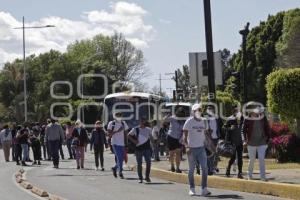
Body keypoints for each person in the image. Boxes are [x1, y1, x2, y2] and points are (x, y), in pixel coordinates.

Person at [183, 103, 211, 196]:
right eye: (196, 110)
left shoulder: (204, 121)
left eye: (199, 110)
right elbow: (184, 136)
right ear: (193, 112)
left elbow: (206, 135)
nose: (198, 111)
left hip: (201, 148)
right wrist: (186, 146)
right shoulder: (189, 121)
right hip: (191, 149)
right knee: (191, 170)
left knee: (205, 169)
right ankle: (192, 188)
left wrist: (212, 146)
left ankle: (204, 189)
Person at [242, 107, 270, 181]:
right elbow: (243, 131)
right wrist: (244, 140)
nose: (255, 114)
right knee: (252, 160)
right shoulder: (247, 119)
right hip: (251, 143)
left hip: (262, 142)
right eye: (254, 113)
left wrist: (268, 139)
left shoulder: (263, 118)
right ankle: (249, 175)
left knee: (261, 159)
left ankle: (263, 177)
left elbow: (267, 128)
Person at [128, 118, 152, 183]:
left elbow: (151, 137)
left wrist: (153, 145)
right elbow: (129, 135)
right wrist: (134, 141)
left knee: (149, 163)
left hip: (147, 148)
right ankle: (140, 178)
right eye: (141, 121)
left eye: (143, 121)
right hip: (138, 149)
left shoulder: (149, 129)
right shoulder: (135, 129)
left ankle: (147, 177)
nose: (142, 123)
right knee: (139, 164)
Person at [107, 112, 129, 179]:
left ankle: (114, 168)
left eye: (120, 115)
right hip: (115, 143)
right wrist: (117, 131)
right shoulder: (111, 123)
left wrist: (127, 143)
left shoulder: (123, 123)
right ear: (115, 116)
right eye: (117, 116)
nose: (119, 117)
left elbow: (126, 134)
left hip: (122, 144)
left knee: (122, 159)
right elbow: (109, 135)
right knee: (119, 158)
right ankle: (120, 172)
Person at [164, 107, 186, 173]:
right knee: (171, 153)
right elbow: (165, 120)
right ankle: (172, 166)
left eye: (182, 113)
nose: (181, 114)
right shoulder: (173, 118)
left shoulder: (183, 120)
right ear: (177, 112)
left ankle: (178, 168)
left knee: (178, 153)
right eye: (180, 112)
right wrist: (167, 115)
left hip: (179, 139)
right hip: (171, 137)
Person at [224, 108, 244, 179]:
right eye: (237, 112)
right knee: (233, 157)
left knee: (240, 158)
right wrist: (230, 128)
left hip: (240, 142)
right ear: (234, 113)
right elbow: (225, 128)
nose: (239, 113)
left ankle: (240, 172)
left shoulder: (242, 119)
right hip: (232, 142)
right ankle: (228, 168)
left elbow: (243, 129)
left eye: (239, 112)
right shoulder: (230, 119)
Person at [206, 107, 222, 175]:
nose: (210, 111)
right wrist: (208, 131)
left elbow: (220, 126)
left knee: (216, 153)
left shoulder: (217, 118)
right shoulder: (206, 118)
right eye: (209, 109)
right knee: (210, 154)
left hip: (216, 138)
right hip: (209, 138)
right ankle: (209, 168)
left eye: (211, 109)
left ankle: (213, 167)